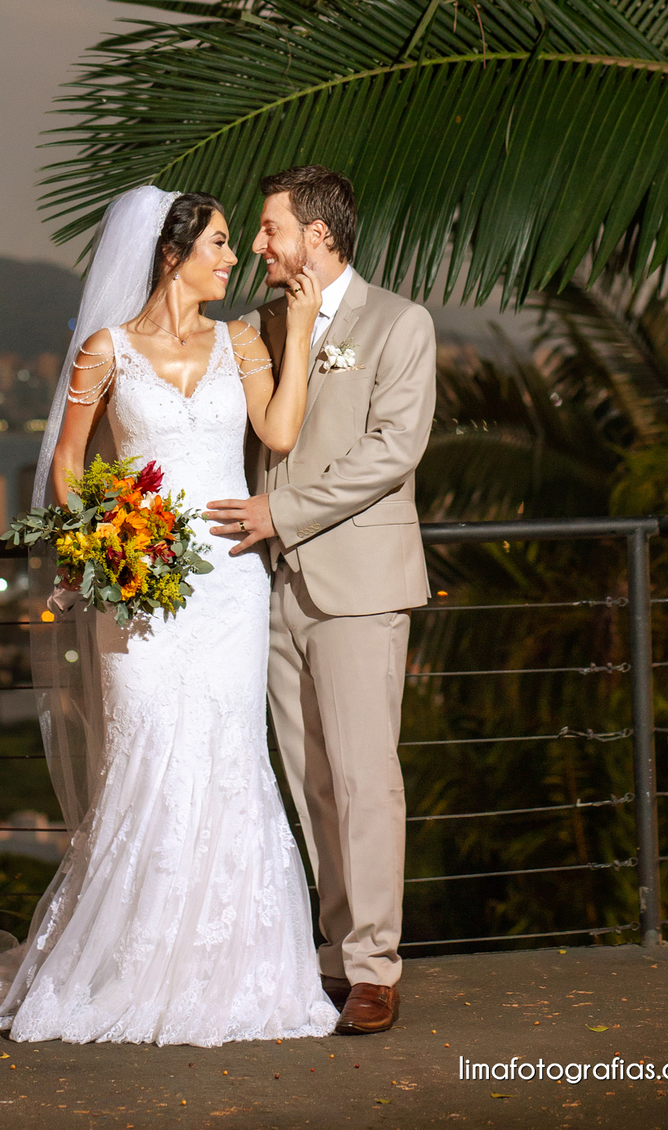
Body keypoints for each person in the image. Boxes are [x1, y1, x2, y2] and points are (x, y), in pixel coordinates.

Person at [0, 185, 338, 1048]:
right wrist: (103, 550)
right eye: (221, 243)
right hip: (137, 592)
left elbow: (283, 433)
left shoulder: (242, 342)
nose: (233, 259)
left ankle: (234, 968)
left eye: (234, 244)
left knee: (229, 757)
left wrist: (296, 332)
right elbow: (69, 467)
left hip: (227, 584)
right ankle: (125, 965)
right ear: (171, 252)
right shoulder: (105, 350)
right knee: (148, 755)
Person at [205, 166, 436, 1037]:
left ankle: (376, 968)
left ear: (319, 236)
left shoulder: (400, 324)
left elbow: (392, 451)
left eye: (269, 230)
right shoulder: (262, 326)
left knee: (365, 779)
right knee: (312, 784)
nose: (258, 245)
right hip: (268, 590)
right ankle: (336, 954)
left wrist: (280, 512)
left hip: (359, 586)